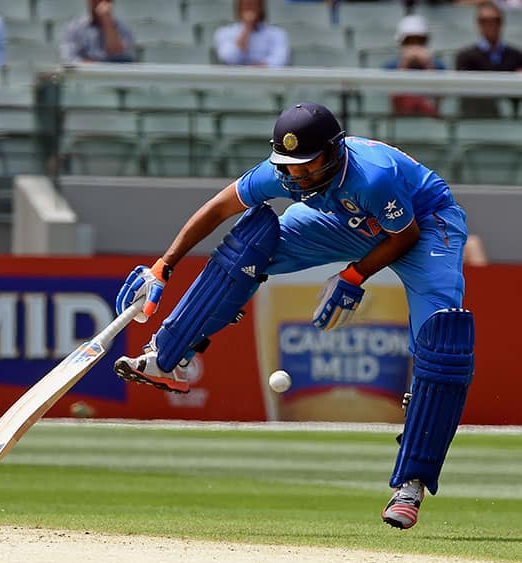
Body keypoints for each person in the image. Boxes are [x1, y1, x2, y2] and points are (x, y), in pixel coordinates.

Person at [112, 102, 475, 531]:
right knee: (251, 241)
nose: (297, 176)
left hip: (425, 224)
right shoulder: (281, 172)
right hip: (343, 218)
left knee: (442, 340)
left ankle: (411, 482)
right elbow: (218, 208)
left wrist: (354, 276)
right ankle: (171, 353)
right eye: (289, 167)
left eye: (307, 165)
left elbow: (405, 235)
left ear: (334, 152)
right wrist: (164, 265)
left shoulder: (372, 176)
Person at [454, 1, 522, 118]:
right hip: (475, 120)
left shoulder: (518, 55)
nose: (490, 24)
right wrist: (511, 82)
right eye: (484, 21)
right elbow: (470, 91)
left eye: (495, 20)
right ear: (478, 24)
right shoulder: (464, 57)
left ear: (502, 23)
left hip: (510, 121)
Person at [383, 15, 445, 117]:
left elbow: (439, 98)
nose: (415, 45)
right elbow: (394, 99)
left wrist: (428, 66)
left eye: (419, 41)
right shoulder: (390, 67)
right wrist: (404, 65)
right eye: (409, 41)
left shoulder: (438, 66)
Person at [215, 0, 290, 68]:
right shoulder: (224, 33)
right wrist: (247, 29)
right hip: (236, 80)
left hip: (266, 79)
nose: (250, 9)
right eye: (247, 5)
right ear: (239, 8)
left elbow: (280, 60)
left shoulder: (277, 33)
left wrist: (256, 68)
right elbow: (229, 58)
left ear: (261, 8)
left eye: (254, 5)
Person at [60, 0, 135, 64]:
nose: (99, 3)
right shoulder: (73, 28)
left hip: (116, 79)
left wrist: (108, 23)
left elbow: (120, 56)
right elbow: (69, 59)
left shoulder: (123, 29)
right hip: (85, 78)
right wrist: (96, 65)